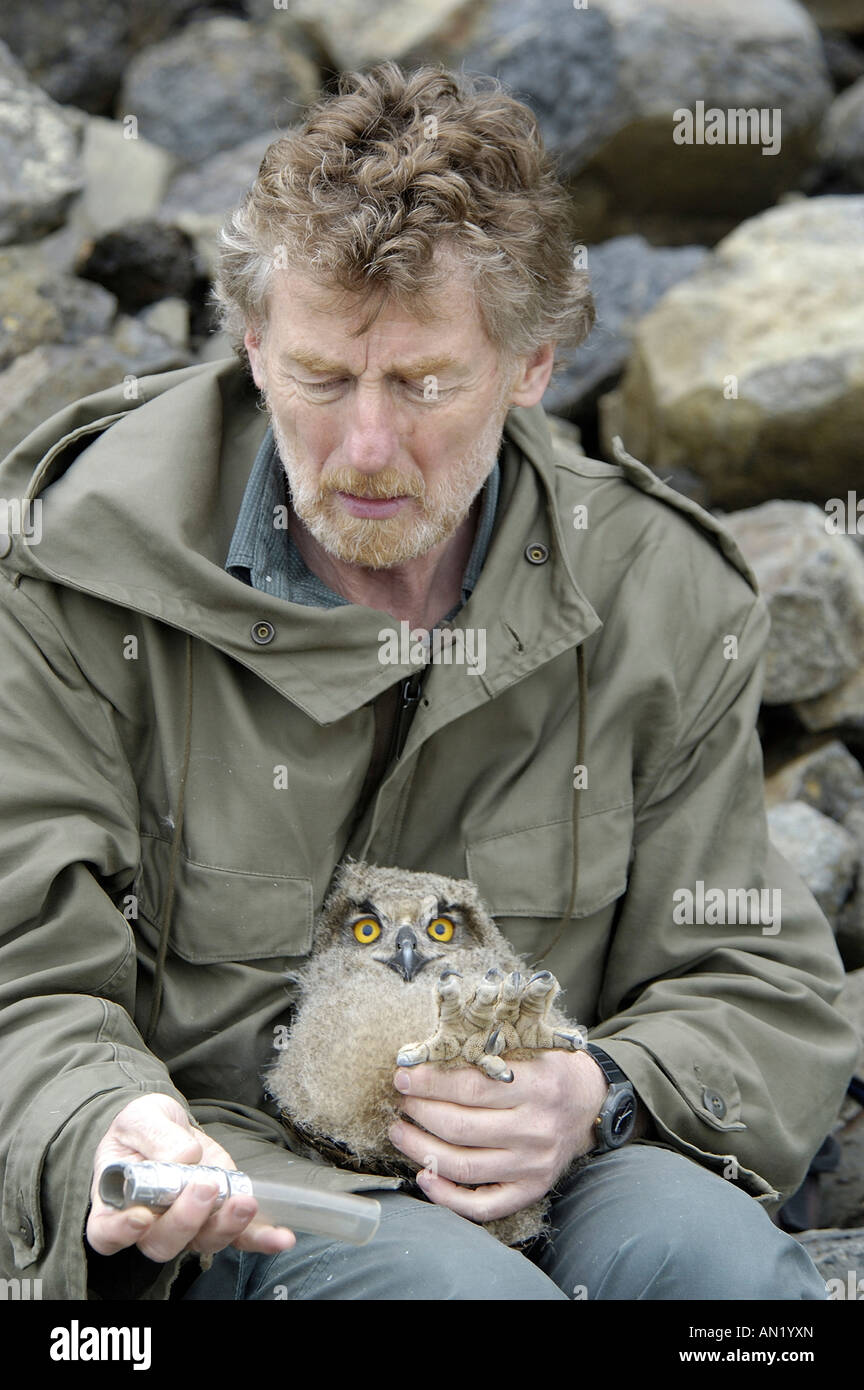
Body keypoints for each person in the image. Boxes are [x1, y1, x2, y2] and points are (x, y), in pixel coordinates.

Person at [0, 62, 857, 1302]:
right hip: (229, 1187)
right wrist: (104, 1127)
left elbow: (755, 974)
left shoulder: (663, 594)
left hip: (559, 1165)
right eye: (319, 375)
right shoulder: (74, 579)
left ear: (534, 365)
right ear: (251, 339)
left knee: (715, 1269)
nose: (363, 449)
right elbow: (22, 973)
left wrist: (598, 1094)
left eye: (423, 385)